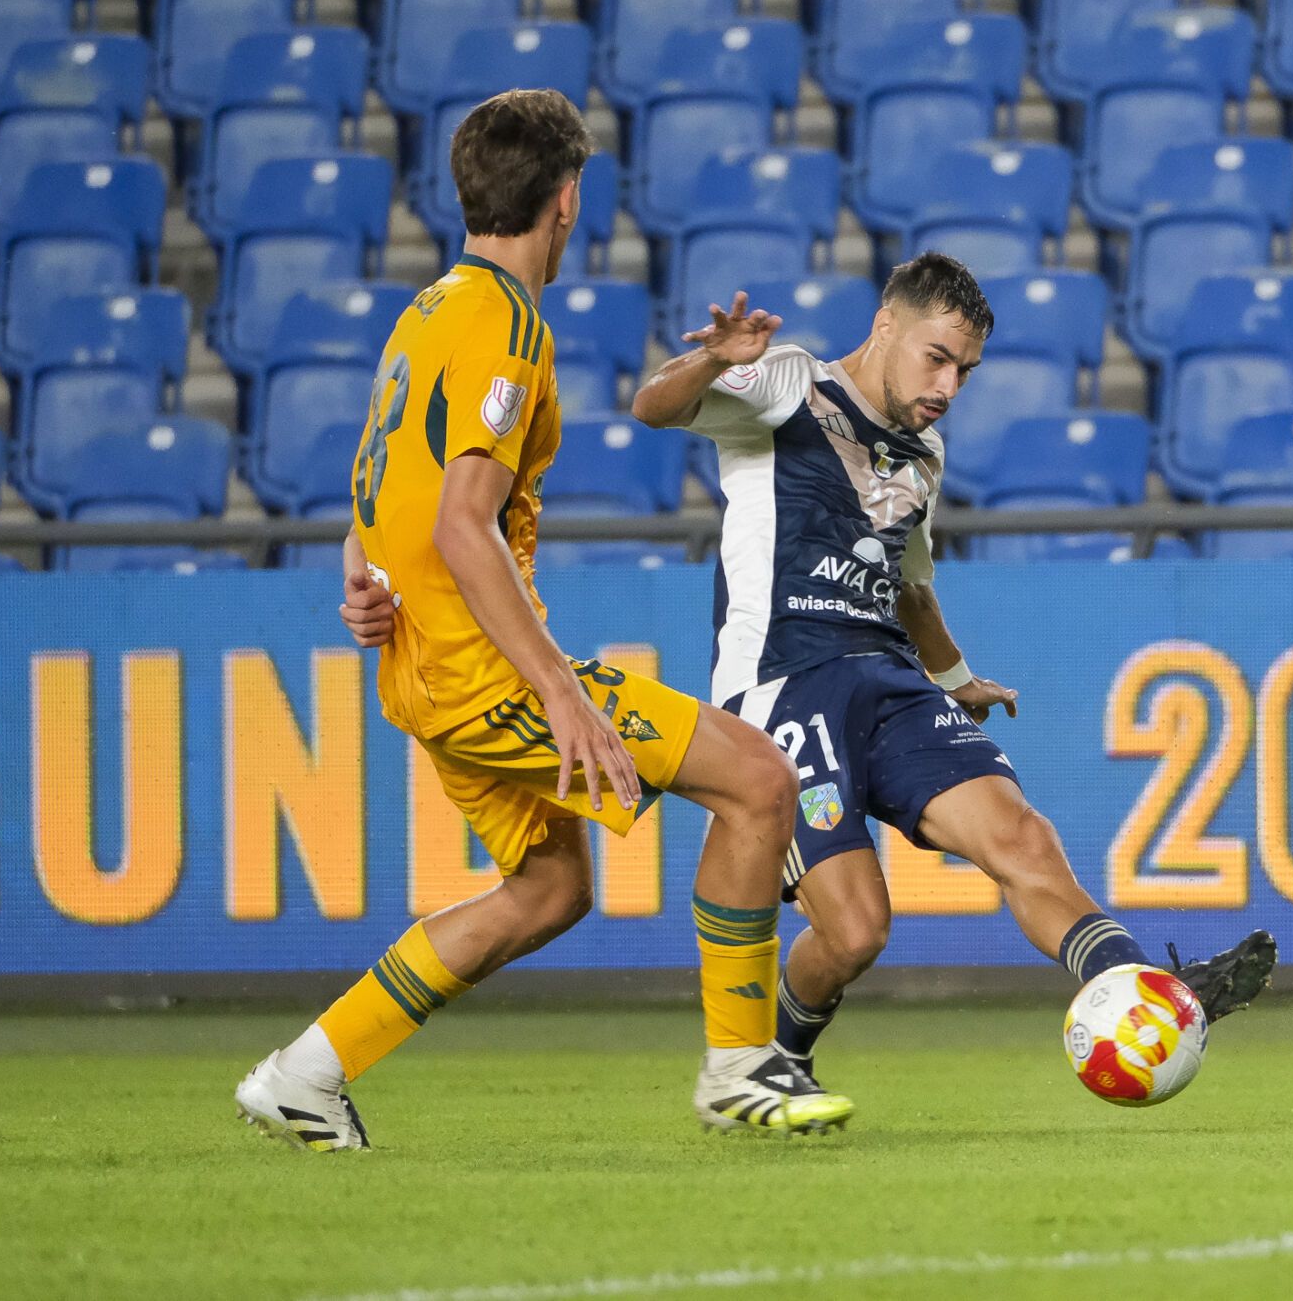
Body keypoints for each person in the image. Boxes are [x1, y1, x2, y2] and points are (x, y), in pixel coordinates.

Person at [234, 89, 854, 1150]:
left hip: (426, 667)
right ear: (567, 199)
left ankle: (304, 1073)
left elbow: (383, 484)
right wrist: (562, 692)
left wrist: (362, 577)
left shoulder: (430, 311)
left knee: (550, 888)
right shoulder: (509, 327)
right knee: (758, 779)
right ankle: (741, 1067)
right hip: (487, 673)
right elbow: (463, 520)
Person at [625, 253, 1277, 1086]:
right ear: (885, 326)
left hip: (890, 679)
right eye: (937, 358)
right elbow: (653, 408)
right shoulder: (789, 383)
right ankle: (776, 1056)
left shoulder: (923, 454)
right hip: (786, 682)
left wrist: (957, 679)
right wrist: (714, 360)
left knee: (1021, 836)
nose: (948, 386)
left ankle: (1147, 988)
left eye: (965, 370)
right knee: (855, 932)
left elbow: (909, 587)